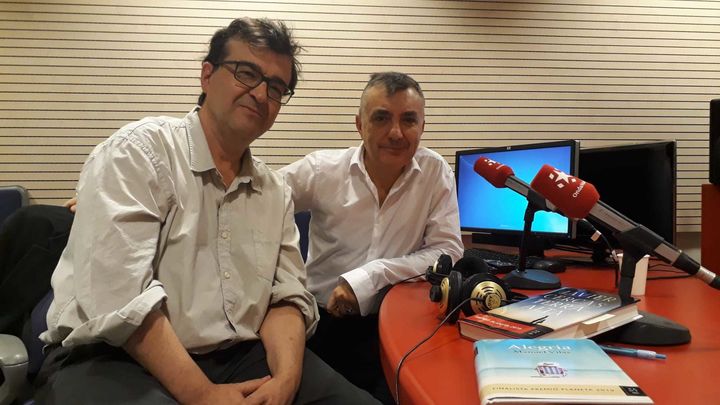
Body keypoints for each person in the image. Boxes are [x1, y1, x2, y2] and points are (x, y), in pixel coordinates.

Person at [34, 17, 379, 405]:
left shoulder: (274, 189)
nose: (261, 93)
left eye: (276, 87)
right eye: (247, 73)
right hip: (111, 355)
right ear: (207, 75)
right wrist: (202, 394)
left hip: (238, 354)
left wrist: (286, 379)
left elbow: (286, 296)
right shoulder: (138, 153)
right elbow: (120, 298)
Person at [279, 72, 464, 403]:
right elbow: (259, 203)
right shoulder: (321, 169)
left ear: (422, 126)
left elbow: (447, 249)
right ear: (359, 124)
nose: (396, 133)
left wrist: (371, 276)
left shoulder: (435, 172)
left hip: (398, 322)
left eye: (408, 120)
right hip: (321, 322)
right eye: (381, 118)